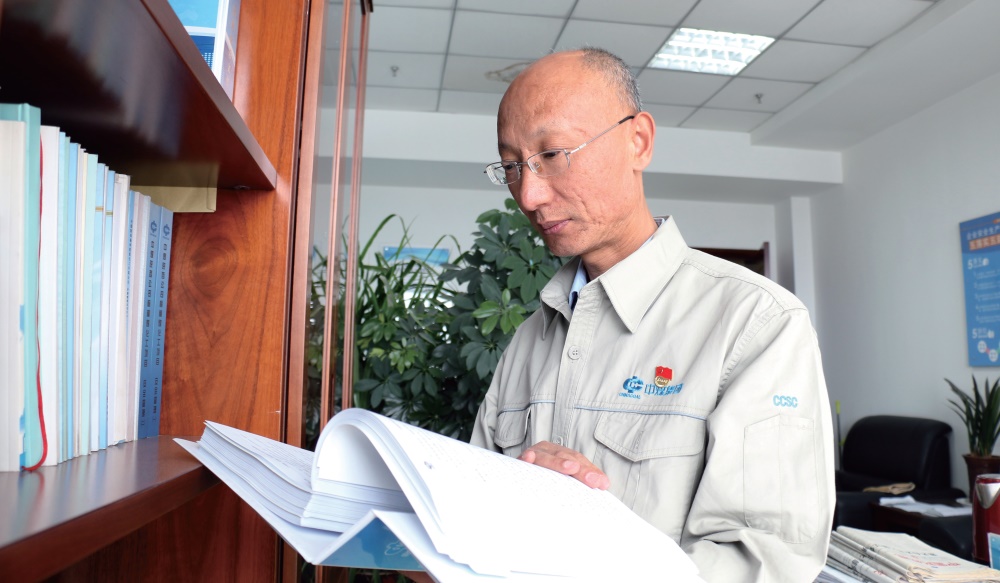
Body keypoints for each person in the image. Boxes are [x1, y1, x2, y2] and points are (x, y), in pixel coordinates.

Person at [468, 47, 836, 582]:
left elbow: (764, 564)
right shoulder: (529, 339)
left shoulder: (757, 323)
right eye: (511, 166)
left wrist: (605, 538)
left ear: (637, 140)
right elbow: (478, 516)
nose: (529, 193)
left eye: (553, 153)